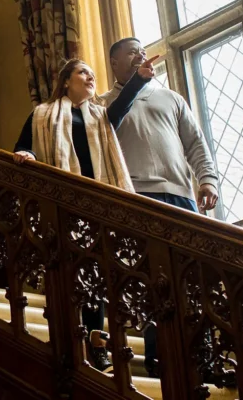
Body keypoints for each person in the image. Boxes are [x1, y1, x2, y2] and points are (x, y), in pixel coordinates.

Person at [13, 57, 155, 372]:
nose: (90, 77)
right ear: (65, 81)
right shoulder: (42, 115)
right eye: (82, 73)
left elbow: (119, 109)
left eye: (93, 74)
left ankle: (98, 343)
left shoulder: (100, 116)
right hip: (63, 204)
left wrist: (138, 80)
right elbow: (26, 146)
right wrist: (28, 154)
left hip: (98, 204)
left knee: (96, 274)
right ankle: (70, 338)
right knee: (70, 273)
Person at [102, 37, 220, 377]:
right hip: (136, 197)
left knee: (193, 277)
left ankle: (205, 358)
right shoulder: (103, 104)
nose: (140, 53)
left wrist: (207, 180)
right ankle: (158, 356)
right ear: (114, 62)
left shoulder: (172, 98)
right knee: (154, 281)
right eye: (131, 51)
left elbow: (196, 142)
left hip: (181, 195)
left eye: (142, 48)